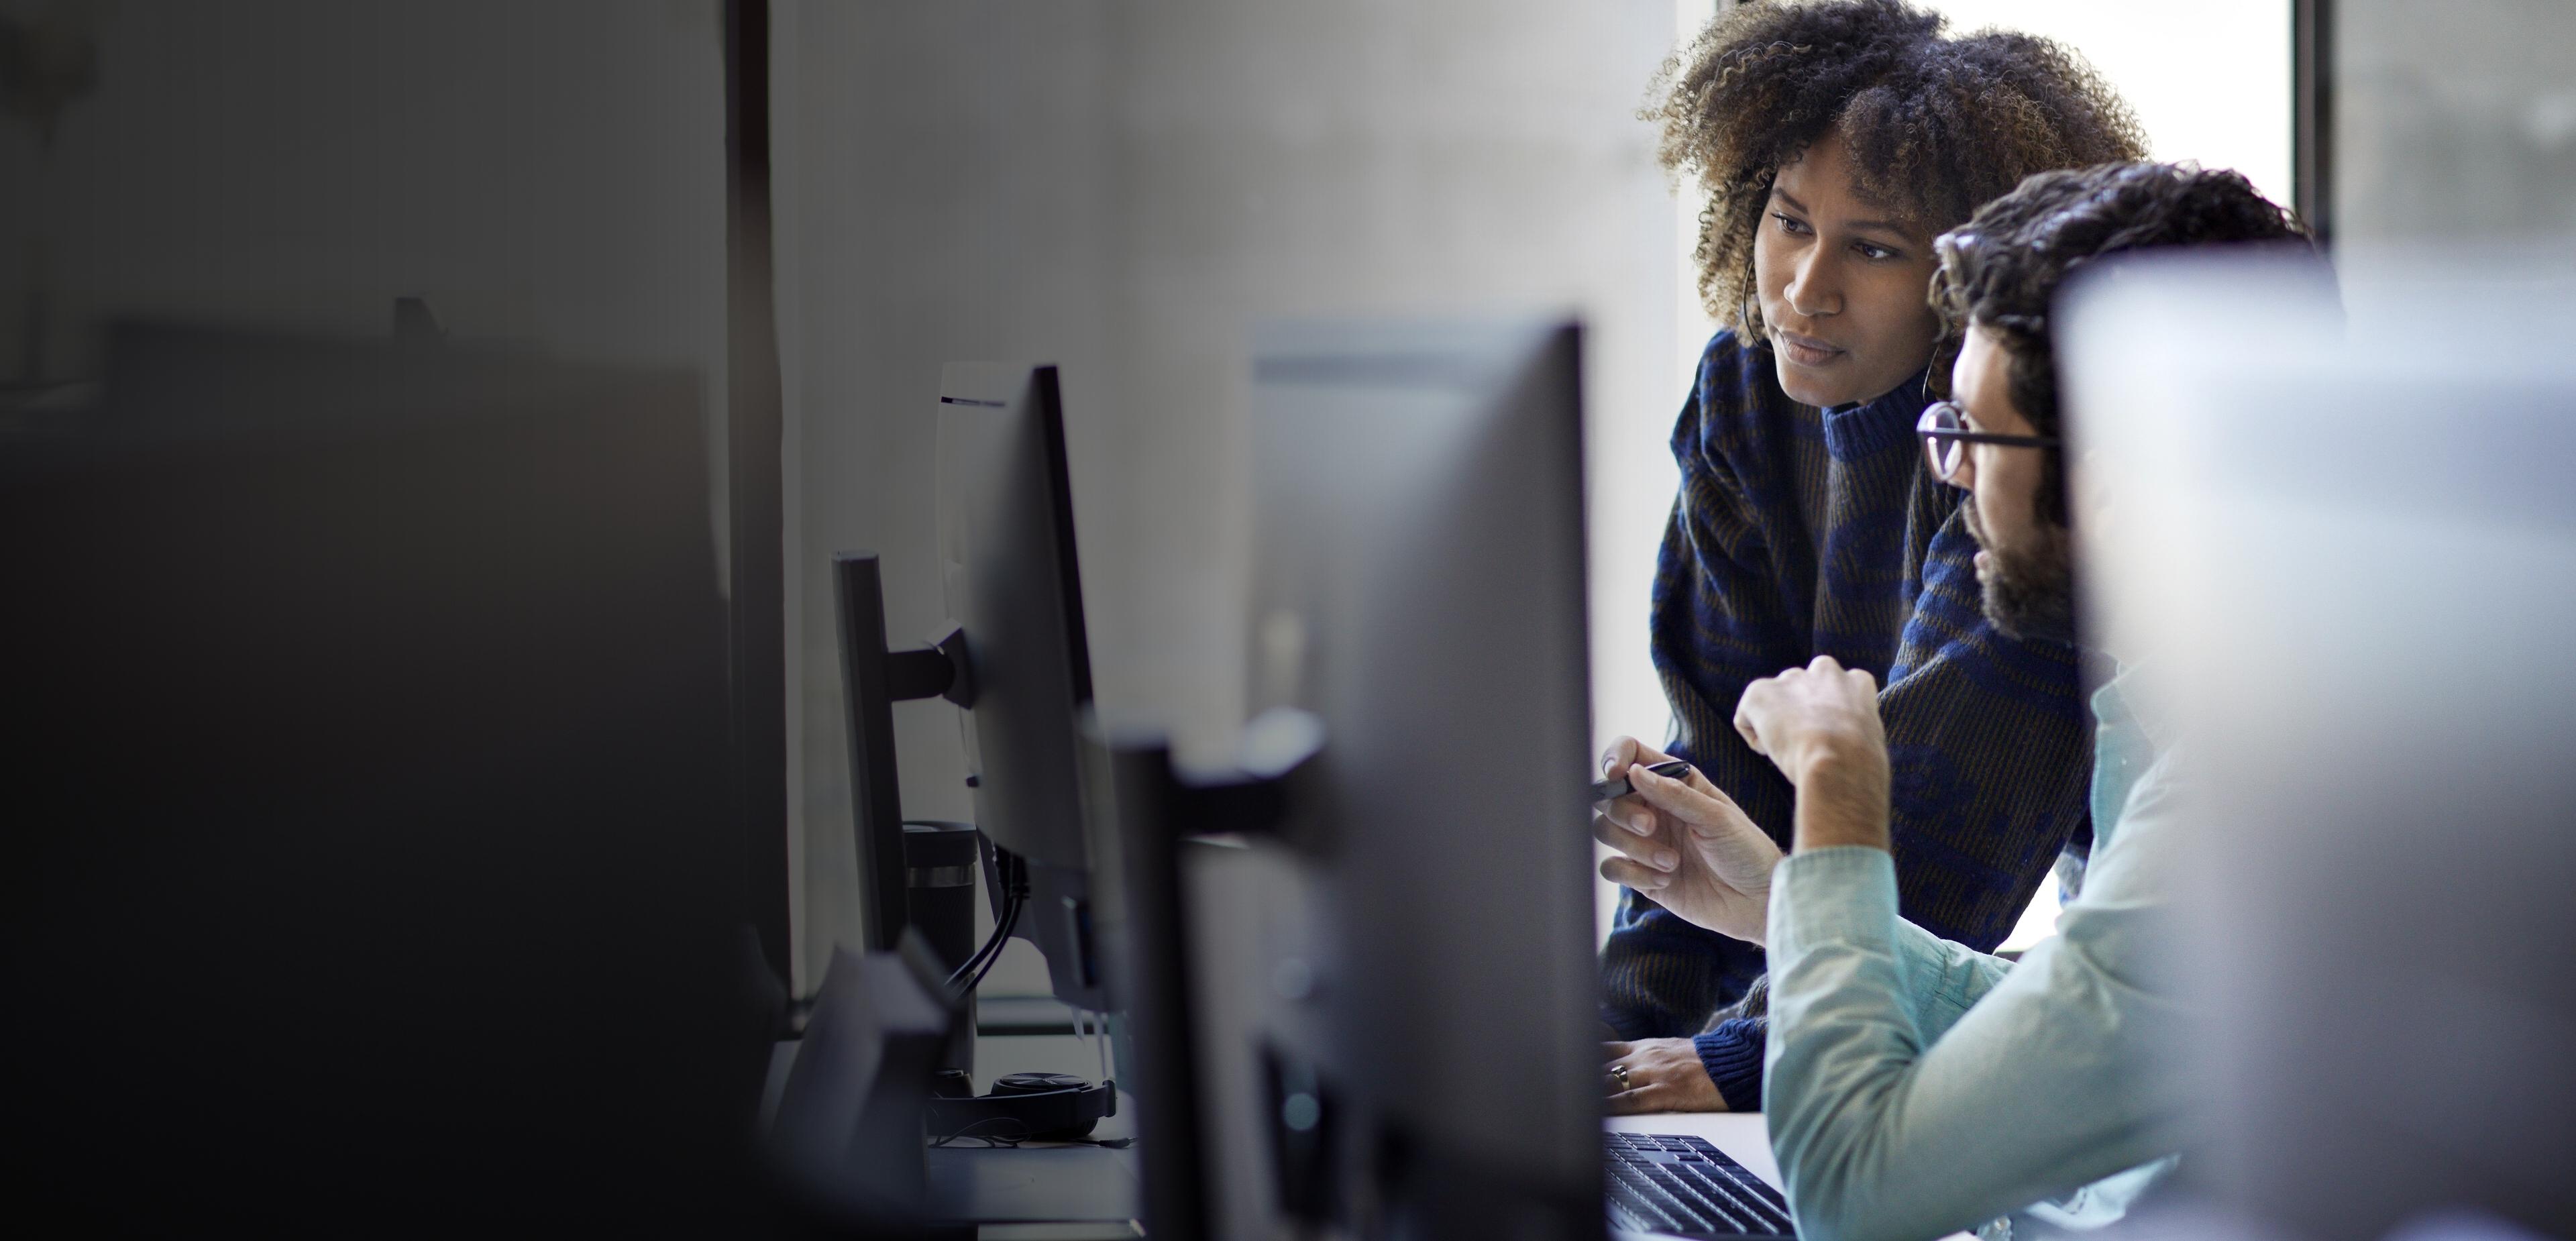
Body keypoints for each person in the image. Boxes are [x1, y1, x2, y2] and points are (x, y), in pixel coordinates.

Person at [1597, 161, 2314, 1239]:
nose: (1949, 472)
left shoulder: (2241, 792)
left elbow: (1857, 1193)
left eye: (1973, 434)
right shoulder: (2186, 712)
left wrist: (1840, 789)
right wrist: (1783, 900)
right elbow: (2080, 1026)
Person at [1600, 0, 2143, 1115]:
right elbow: (1715, 768)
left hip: (2119, 1015)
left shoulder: (2000, 447)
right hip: (1889, 987)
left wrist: (1742, 1057)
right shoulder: (1743, 393)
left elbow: (1941, 841)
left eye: (1876, 248)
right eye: (1790, 221)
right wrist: (1607, 1045)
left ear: (1968, 279)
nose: (1806, 288)